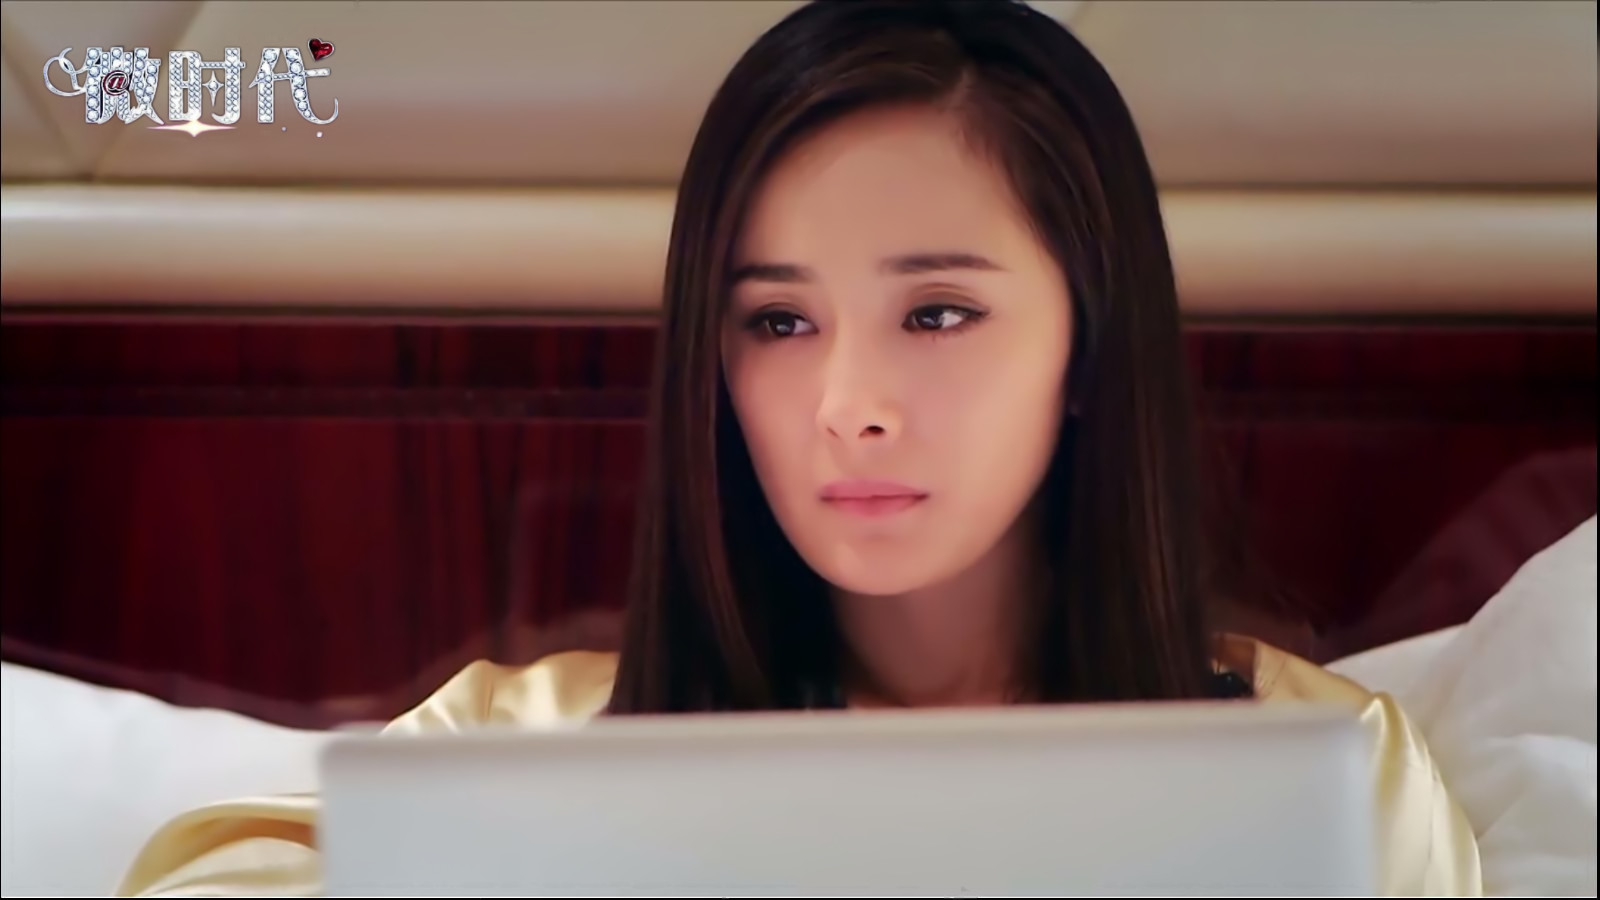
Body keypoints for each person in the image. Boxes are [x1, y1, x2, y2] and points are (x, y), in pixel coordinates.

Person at [116, 1, 1482, 895]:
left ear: (1090, 344)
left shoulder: (1325, 769)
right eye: (778, 321)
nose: (848, 401)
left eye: (936, 312)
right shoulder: (526, 754)